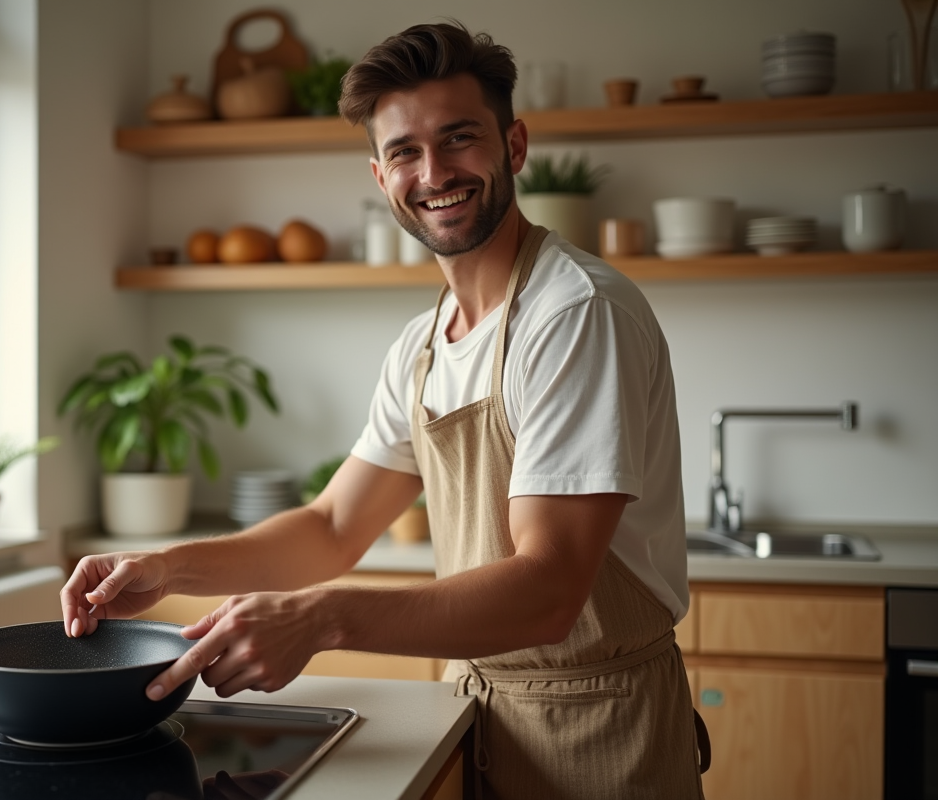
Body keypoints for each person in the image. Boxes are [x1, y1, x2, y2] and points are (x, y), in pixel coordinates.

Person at [62, 20, 706, 799]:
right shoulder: (423, 344)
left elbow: (550, 589)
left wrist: (323, 619)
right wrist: (166, 569)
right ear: (380, 175)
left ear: (514, 146)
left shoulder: (573, 313)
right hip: (479, 712)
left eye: (459, 138)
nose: (434, 171)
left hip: (602, 729)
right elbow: (332, 528)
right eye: (405, 151)